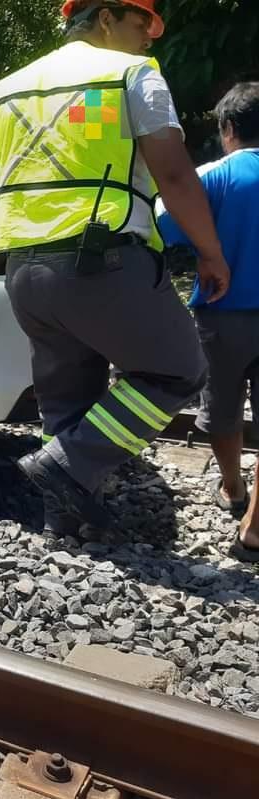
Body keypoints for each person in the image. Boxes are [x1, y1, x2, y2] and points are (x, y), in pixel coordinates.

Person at [0, 0, 231, 537]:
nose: (148, 38)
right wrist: (210, 253)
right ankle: (68, 466)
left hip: (23, 270)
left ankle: (62, 524)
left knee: (65, 396)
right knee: (179, 370)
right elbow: (176, 177)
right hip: (103, 263)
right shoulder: (130, 76)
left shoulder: (11, 88)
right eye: (142, 23)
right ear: (107, 17)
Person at [157, 82, 259, 560]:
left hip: (223, 312)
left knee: (222, 407)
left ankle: (234, 487)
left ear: (229, 128)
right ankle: (254, 528)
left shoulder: (214, 175)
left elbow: (164, 222)